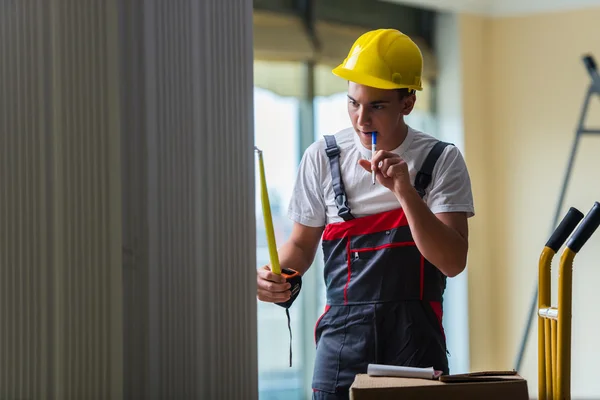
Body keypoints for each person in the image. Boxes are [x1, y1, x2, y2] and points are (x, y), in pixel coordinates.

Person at [256, 28, 475, 399]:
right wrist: (275, 276)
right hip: (342, 344)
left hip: (415, 341)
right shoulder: (322, 158)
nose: (361, 119)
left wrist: (405, 192)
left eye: (377, 106)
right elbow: (300, 245)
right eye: (353, 103)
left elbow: (453, 261)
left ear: (407, 102)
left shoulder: (441, 160)